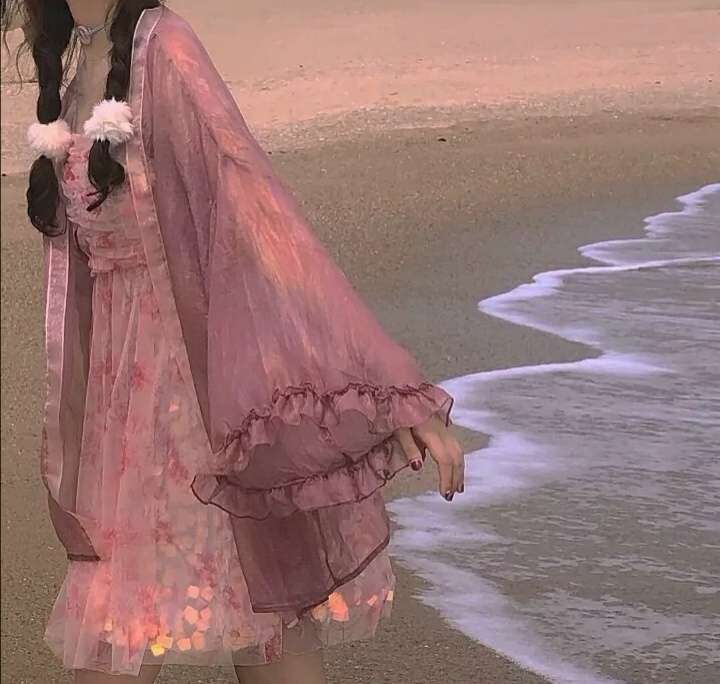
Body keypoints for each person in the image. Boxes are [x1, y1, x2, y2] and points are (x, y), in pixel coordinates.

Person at [2, 1, 465, 682]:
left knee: (259, 613)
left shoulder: (166, 50)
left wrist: (394, 390)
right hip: (123, 416)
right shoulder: (76, 61)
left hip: (204, 396)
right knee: (133, 629)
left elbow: (259, 216)